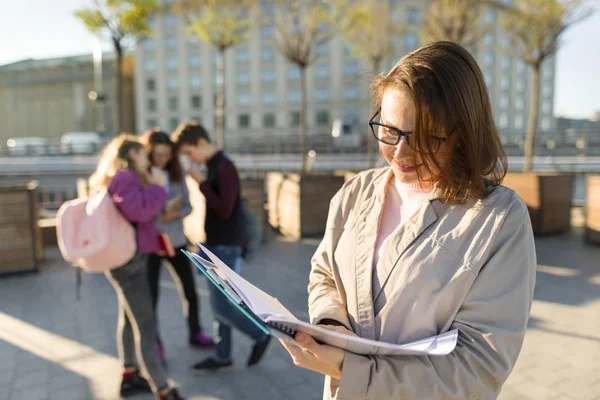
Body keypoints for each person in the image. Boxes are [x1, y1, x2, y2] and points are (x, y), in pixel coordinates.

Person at [279, 41, 537, 399]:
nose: (400, 153)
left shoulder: (498, 220)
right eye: (389, 130)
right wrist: (330, 322)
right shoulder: (356, 193)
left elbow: (478, 368)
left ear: (464, 134)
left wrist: (349, 368)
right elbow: (325, 272)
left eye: (427, 138)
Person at [88, 134, 185, 400]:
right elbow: (139, 212)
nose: (148, 159)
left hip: (127, 258)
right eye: (143, 154)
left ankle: (129, 374)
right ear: (132, 154)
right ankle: (162, 388)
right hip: (128, 262)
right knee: (146, 324)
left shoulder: (119, 177)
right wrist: (159, 187)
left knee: (129, 319)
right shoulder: (126, 177)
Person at [171, 122, 272, 372]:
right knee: (220, 304)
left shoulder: (224, 167)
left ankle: (260, 333)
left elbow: (225, 209)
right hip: (216, 244)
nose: (189, 158)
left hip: (226, 246)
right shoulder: (214, 165)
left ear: (202, 143)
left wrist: (201, 183)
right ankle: (222, 354)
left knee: (222, 305)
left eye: (189, 152)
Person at [141, 129, 215, 364]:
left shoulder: (176, 173)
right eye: (158, 155)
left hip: (176, 240)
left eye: (167, 155)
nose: (163, 159)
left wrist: (174, 214)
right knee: (151, 297)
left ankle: (195, 333)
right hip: (152, 244)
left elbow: (189, 206)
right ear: (150, 154)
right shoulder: (142, 175)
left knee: (190, 291)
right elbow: (139, 211)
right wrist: (157, 216)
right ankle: (156, 343)